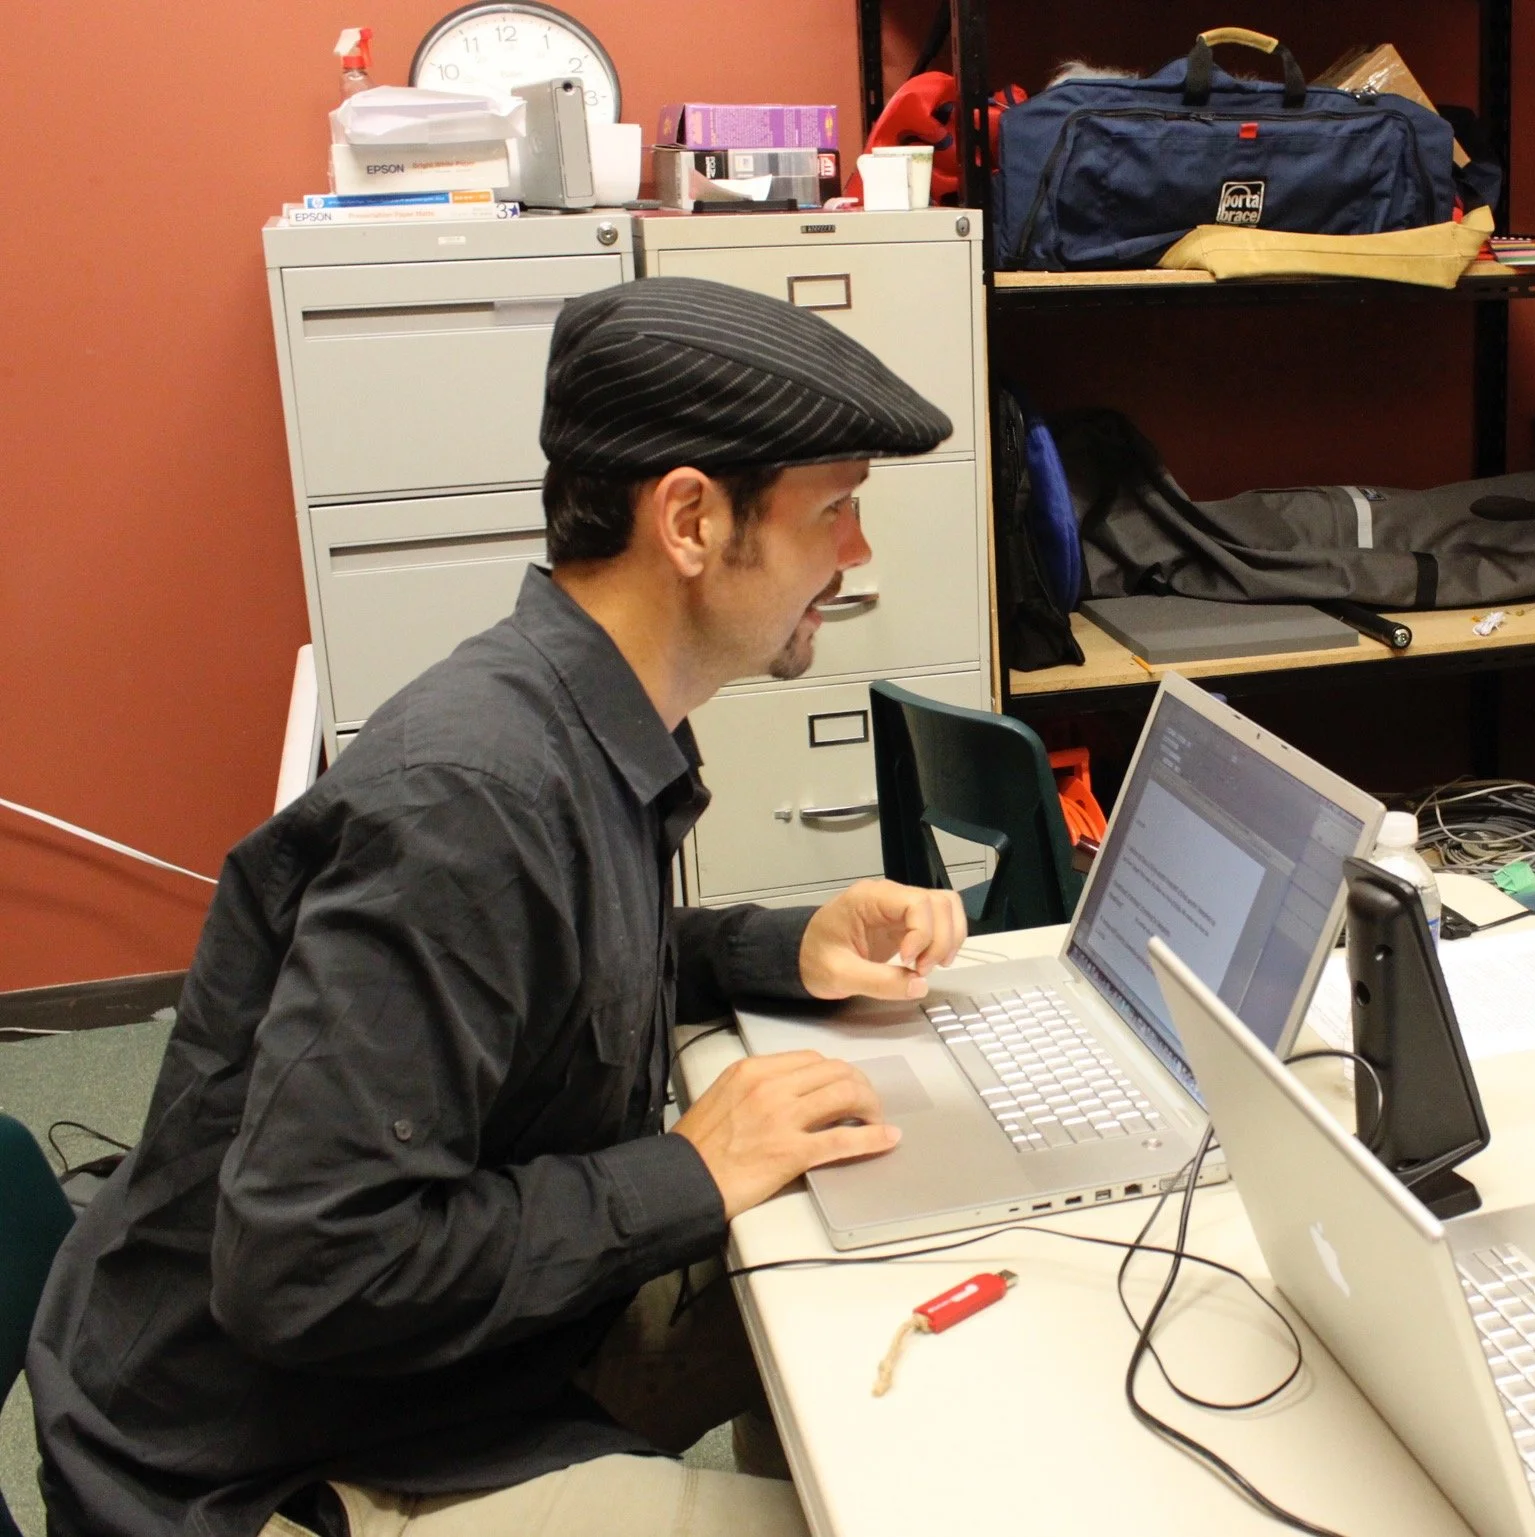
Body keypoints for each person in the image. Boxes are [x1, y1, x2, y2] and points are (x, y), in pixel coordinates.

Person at [30, 277, 970, 1537]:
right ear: (690, 519)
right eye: (835, 508)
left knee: (859, 1267)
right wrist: (689, 1170)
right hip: (270, 1463)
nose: (856, 553)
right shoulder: (473, 801)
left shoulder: (577, 721)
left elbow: (556, 976)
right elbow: (310, 1264)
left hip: (424, 1371)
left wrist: (781, 947)